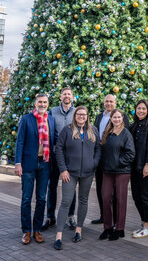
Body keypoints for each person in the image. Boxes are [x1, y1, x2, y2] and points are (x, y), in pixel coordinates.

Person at [53, 106, 101, 250]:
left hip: (87, 173)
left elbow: (98, 149)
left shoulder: (93, 130)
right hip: (70, 173)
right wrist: (63, 169)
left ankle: (78, 230)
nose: (81, 116)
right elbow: (59, 149)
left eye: (84, 114)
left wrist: (94, 163)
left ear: (87, 116)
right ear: (75, 116)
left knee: (83, 200)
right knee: (66, 202)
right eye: (79, 114)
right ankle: (59, 235)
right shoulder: (67, 130)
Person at [15, 93, 57, 245]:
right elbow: (19, 142)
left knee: (41, 198)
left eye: (45, 102)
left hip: (45, 164)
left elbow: (55, 140)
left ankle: (37, 230)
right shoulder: (26, 119)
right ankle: (26, 231)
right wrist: (17, 163)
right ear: (35, 103)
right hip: (28, 164)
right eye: (40, 102)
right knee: (26, 199)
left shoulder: (50, 119)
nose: (42, 104)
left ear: (48, 103)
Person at [92, 94, 130, 224]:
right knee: (101, 189)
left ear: (115, 103)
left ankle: (114, 219)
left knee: (113, 191)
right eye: (106, 101)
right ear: (104, 103)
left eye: (111, 101)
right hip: (100, 158)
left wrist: (120, 160)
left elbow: (126, 138)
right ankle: (104, 216)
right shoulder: (98, 117)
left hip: (115, 159)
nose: (108, 104)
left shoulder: (120, 117)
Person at [42, 87, 76, 231]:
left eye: (69, 94)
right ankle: (50, 217)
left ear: (72, 97)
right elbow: (47, 131)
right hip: (55, 155)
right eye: (64, 94)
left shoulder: (77, 112)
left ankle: (70, 217)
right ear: (60, 97)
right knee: (52, 186)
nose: (66, 96)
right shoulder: (52, 112)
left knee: (71, 187)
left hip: (71, 156)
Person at [99, 108, 135, 241]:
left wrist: (118, 162)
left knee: (121, 199)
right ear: (111, 118)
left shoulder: (126, 134)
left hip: (122, 171)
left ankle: (120, 229)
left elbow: (130, 153)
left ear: (122, 118)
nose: (117, 119)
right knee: (106, 197)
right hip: (107, 171)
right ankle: (107, 227)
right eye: (114, 117)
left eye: (119, 117)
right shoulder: (107, 132)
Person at [130, 99, 148, 238]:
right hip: (134, 167)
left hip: (145, 166)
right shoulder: (134, 125)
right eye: (139, 108)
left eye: (143, 109)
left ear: (147, 111)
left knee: (145, 196)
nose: (141, 111)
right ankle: (144, 222)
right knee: (136, 196)